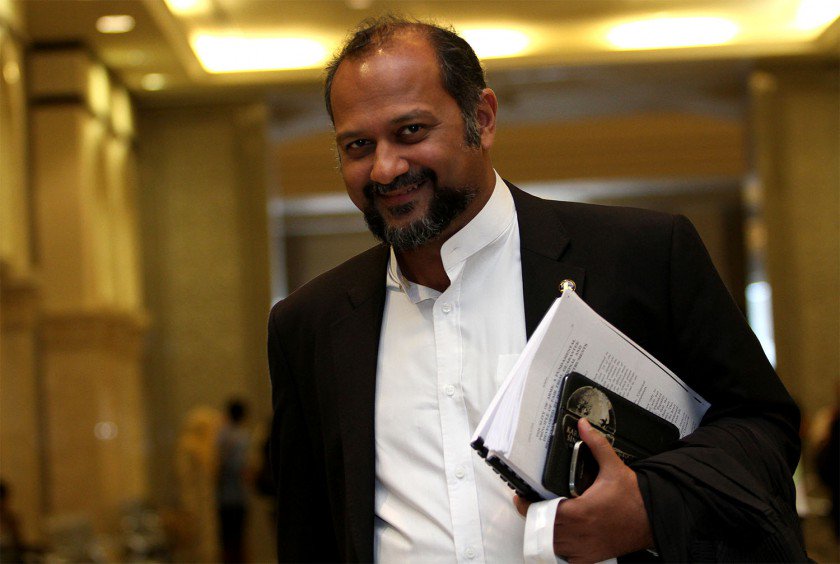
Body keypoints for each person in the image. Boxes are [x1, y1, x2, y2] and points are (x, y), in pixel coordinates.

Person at [268, 16, 807, 563]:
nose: (385, 168)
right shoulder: (310, 325)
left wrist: (649, 508)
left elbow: (764, 429)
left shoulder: (640, 256)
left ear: (482, 119)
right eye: (359, 145)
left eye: (411, 131)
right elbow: (308, 530)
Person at [216, 398, 252, 563]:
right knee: (237, 539)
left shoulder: (221, 434)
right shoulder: (242, 436)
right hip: (237, 496)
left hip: (222, 495)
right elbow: (240, 466)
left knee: (227, 540)